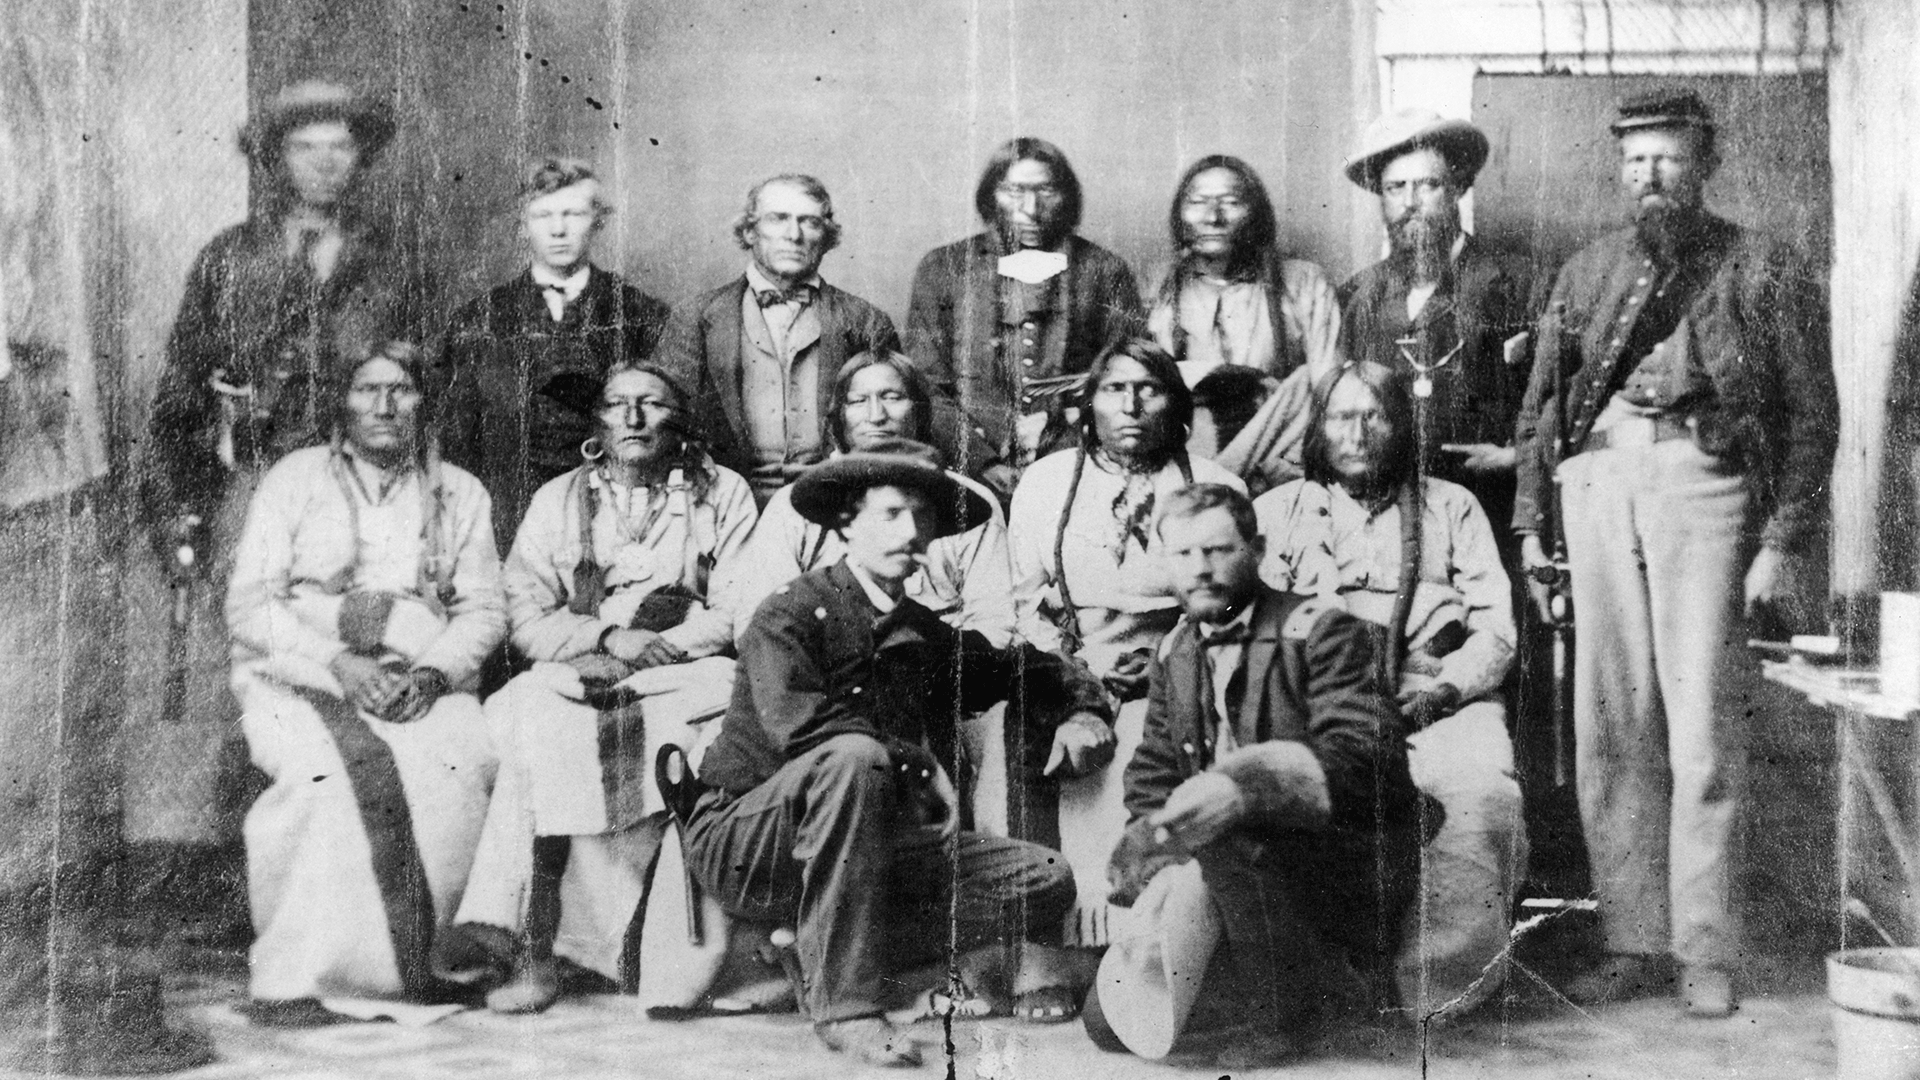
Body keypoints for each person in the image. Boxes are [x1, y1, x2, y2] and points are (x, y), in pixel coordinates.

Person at [1512, 89, 1838, 1017]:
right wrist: (1533, 525)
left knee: (1702, 730)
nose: (1649, 176)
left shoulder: (1762, 264)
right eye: (1634, 161)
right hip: (1597, 486)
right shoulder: (1586, 269)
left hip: (1705, 486)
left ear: (1706, 163)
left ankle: (1704, 947)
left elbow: (1814, 415)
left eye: (1667, 158)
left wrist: (1781, 542)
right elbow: (1543, 409)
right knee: (1611, 725)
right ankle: (1633, 939)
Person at [686, 451, 1113, 1066]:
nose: (909, 532)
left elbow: (1024, 669)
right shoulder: (791, 613)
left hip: (869, 848)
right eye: (889, 514)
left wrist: (1084, 710)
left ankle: (812, 945)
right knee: (855, 758)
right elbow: (800, 733)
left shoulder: (918, 629)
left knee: (1041, 877)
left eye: (922, 518)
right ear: (846, 525)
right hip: (749, 841)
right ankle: (847, 1010)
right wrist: (916, 766)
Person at [142, 80, 432, 852]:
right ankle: (238, 860)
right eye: (306, 147)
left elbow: (422, 379)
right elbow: (180, 390)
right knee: (252, 661)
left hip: (360, 488)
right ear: (276, 158)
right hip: (255, 481)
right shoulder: (228, 258)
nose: (326, 162)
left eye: (341, 146)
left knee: (355, 646)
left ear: (360, 158)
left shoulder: (389, 261)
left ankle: (346, 855)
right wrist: (180, 504)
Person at [437, 363, 756, 1012]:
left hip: (684, 669)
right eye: (617, 405)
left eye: (652, 404)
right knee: (530, 723)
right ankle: (533, 950)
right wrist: (608, 638)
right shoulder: (558, 499)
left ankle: (649, 953)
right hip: (582, 666)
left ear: (681, 420)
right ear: (597, 420)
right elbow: (524, 611)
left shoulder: (723, 492)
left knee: (701, 733)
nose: (633, 419)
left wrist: (663, 645)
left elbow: (738, 603)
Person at [224, 341, 504, 1024]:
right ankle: (303, 973)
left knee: (460, 759)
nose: (384, 405)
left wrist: (432, 675)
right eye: (366, 389)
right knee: (321, 774)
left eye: (401, 389)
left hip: (418, 676)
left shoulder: (459, 490)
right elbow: (250, 605)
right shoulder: (295, 478)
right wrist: (338, 664)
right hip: (299, 672)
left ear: (424, 401)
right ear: (341, 401)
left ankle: (432, 964)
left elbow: (484, 610)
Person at [1094, 483, 1420, 1066]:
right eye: (1184, 554)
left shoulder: (1321, 629)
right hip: (1232, 873)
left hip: (1337, 858)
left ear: (1257, 549)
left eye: (1219, 549)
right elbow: (1154, 770)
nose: (1201, 568)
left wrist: (1247, 789)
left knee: (1231, 838)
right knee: (1108, 1024)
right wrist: (1163, 849)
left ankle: (1287, 1012)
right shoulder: (1175, 650)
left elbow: (1365, 755)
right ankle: (1292, 985)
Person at [1252, 361, 1526, 1021]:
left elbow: (1496, 628)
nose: (1358, 434)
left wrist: (1446, 691)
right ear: (1317, 428)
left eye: (1375, 416)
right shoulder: (1279, 511)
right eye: (1342, 417)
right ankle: (1324, 980)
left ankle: (1441, 991)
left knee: (1479, 794)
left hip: (1437, 696)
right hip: (1322, 698)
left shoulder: (1451, 505)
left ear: (1403, 424)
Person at [1005, 337, 1243, 935]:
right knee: (1020, 733)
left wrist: (1165, 657)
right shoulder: (1045, 482)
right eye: (1115, 389)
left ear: (1176, 404)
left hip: (1179, 657)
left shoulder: (1216, 484)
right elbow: (1022, 603)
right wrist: (1073, 676)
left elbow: (1231, 602)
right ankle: (1050, 938)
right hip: (1068, 660)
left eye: (1149, 389)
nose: (1132, 405)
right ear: (1090, 404)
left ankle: (1147, 935)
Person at [437, 157, 673, 550]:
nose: (558, 229)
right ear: (523, 226)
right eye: (543, 215)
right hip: (506, 512)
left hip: (614, 512)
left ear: (598, 221)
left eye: (573, 214)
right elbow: (457, 440)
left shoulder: (642, 315)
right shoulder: (476, 319)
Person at [655, 174, 923, 506]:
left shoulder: (866, 321)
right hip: (725, 503)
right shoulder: (694, 318)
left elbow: (900, 420)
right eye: (778, 219)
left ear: (826, 236)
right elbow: (666, 417)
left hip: (838, 500)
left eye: (809, 222)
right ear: (750, 231)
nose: (794, 235)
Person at [1337, 110, 1541, 545]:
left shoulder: (1518, 283)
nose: (1410, 202)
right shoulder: (1359, 294)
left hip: (1491, 503)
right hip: (1386, 509)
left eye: (1428, 185)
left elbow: (1561, 398)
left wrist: (1514, 457)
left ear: (1459, 189)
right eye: (1395, 188)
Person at [717, 350, 1013, 645]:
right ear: (839, 416)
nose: (876, 416)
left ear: (919, 411)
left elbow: (997, 624)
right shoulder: (791, 506)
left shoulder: (965, 500)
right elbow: (757, 628)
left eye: (892, 397)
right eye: (858, 401)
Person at [905, 138, 1146, 493]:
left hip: (1078, 462)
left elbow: (1126, 378)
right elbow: (925, 385)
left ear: (1067, 196)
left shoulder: (1105, 271)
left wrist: (1060, 438)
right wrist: (981, 461)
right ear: (991, 196)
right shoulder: (943, 268)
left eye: (1046, 190)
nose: (1031, 209)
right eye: (1014, 191)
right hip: (966, 470)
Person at [1142, 155, 1342, 485]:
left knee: (1309, 383)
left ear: (1256, 213)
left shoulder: (1303, 282)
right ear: (1179, 214)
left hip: (1280, 453)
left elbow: (1330, 391)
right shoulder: (1159, 287)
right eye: (1197, 202)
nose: (1213, 217)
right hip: (1190, 454)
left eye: (1231, 202)